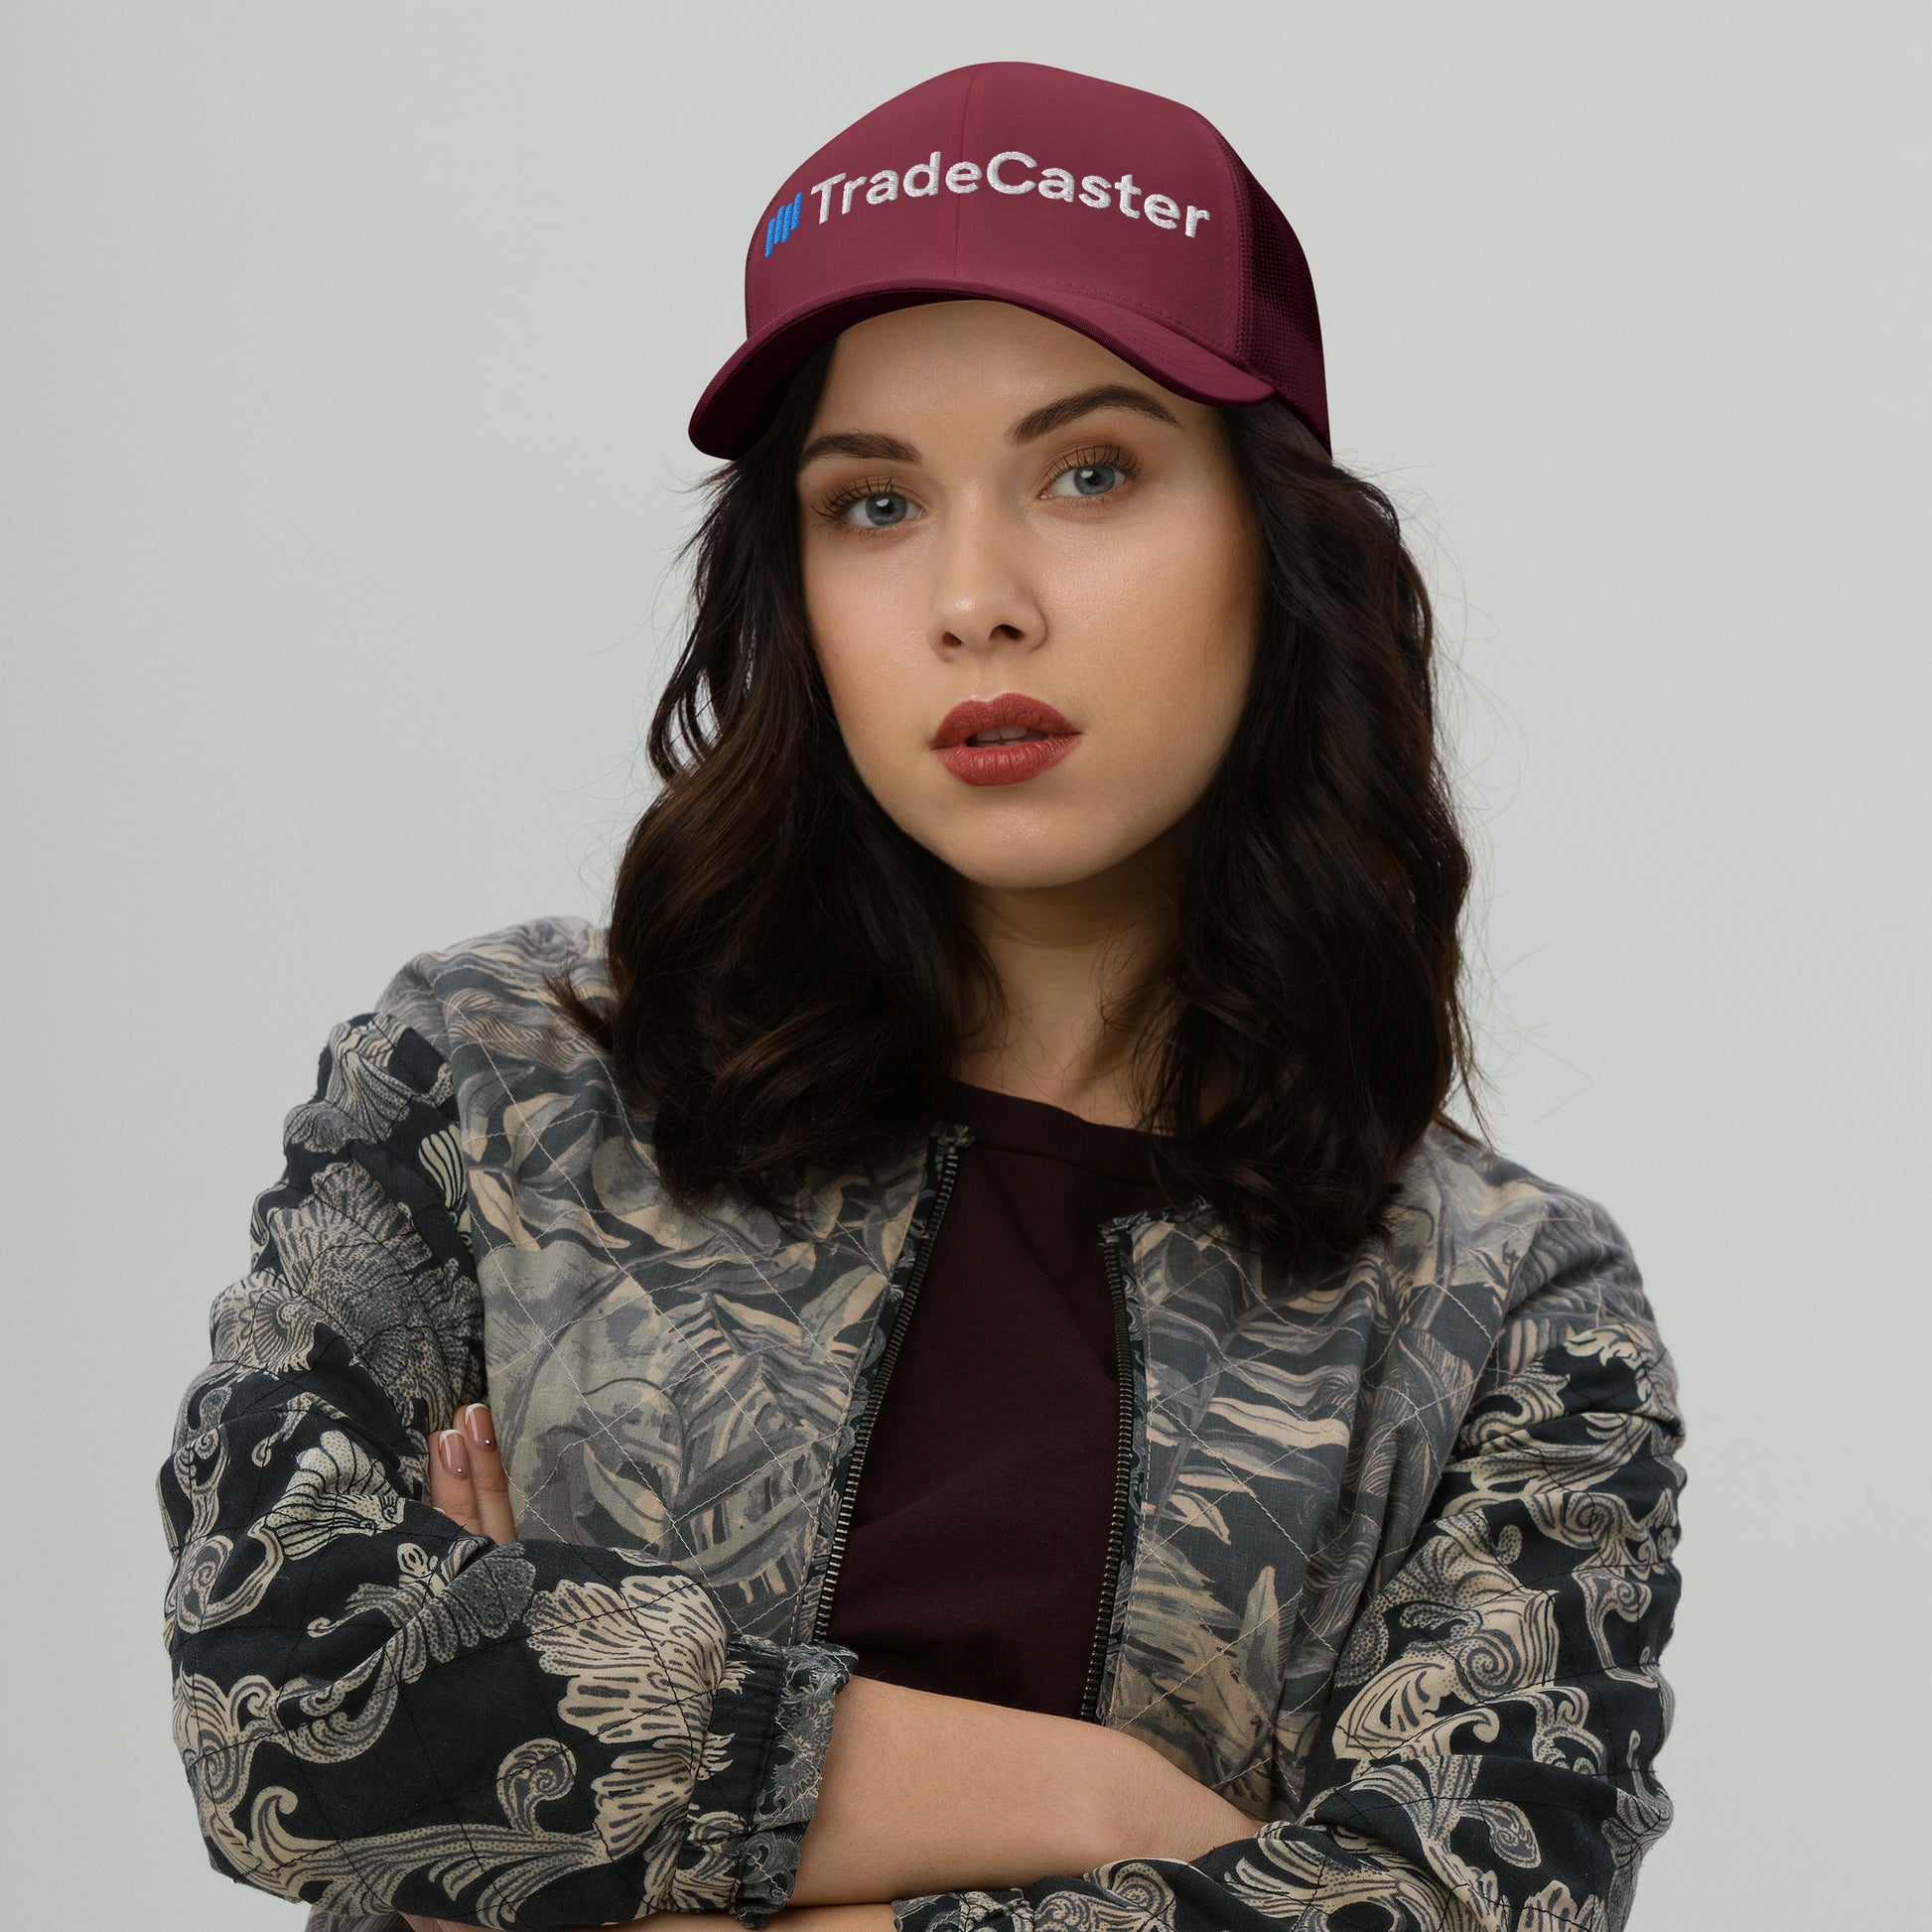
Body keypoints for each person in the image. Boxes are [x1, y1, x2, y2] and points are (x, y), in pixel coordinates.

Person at [157, 59, 1686, 1932]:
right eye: (871, 503)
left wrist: (612, 1830)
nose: (974, 597)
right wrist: (1114, 1802)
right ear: (788, 585)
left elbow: (1456, 1902)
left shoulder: (1500, 1309)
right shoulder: (494, 1086)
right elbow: (290, 1698)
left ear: (1276, 549)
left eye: (1091, 471)